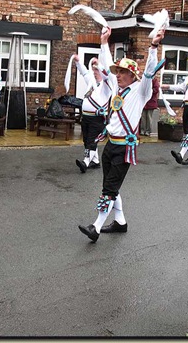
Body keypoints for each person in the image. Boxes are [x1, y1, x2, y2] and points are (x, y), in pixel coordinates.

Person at [78, 26, 165, 243]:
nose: (118, 75)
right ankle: (120, 222)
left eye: (123, 72)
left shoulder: (141, 90)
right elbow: (107, 66)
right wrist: (104, 43)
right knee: (110, 185)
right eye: (118, 72)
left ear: (133, 75)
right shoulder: (116, 88)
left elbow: (149, 72)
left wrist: (153, 46)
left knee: (109, 188)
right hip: (110, 145)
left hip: (124, 148)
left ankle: (96, 227)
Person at [73, 55, 116, 173]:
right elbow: (85, 73)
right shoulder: (91, 83)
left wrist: (99, 65)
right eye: (94, 70)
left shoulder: (107, 86)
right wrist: (78, 63)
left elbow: (107, 76)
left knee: (92, 140)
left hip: (97, 118)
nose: (95, 72)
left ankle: (85, 162)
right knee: (87, 140)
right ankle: (95, 161)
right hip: (86, 117)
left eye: (97, 70)